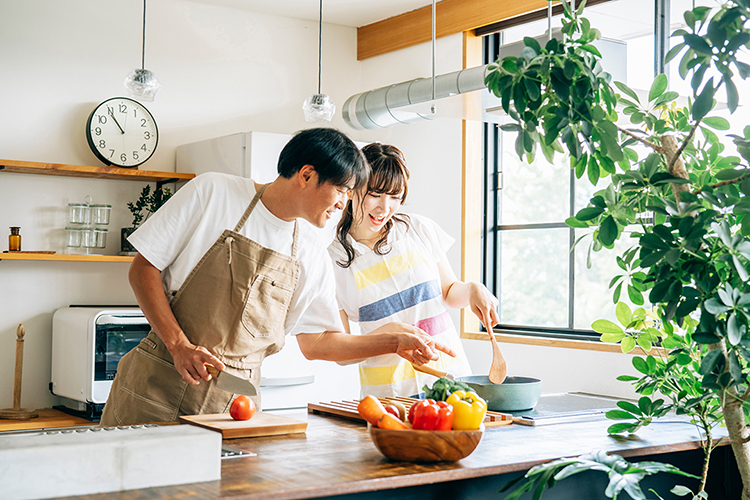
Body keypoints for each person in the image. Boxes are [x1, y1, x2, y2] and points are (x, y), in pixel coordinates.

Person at [100, 128, 454, 426]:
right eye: (342, 191)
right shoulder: (214, 193)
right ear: (306, 175)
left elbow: (319, 343)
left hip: (233, 407)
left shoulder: (312, 251)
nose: (344, 204)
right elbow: (143, 269)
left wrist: (393, 342)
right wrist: (179, 346)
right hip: (154, 387)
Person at [328, 142, 499, 398]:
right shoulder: (332, 259)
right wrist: (389, 336)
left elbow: (450, 292)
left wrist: (474, 289)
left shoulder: (417, 229)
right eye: (375, 193)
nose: (384, 208)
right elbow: (339, 350)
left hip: (451, 381)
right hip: (390, 396)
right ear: (351, 189)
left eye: (395, 197)